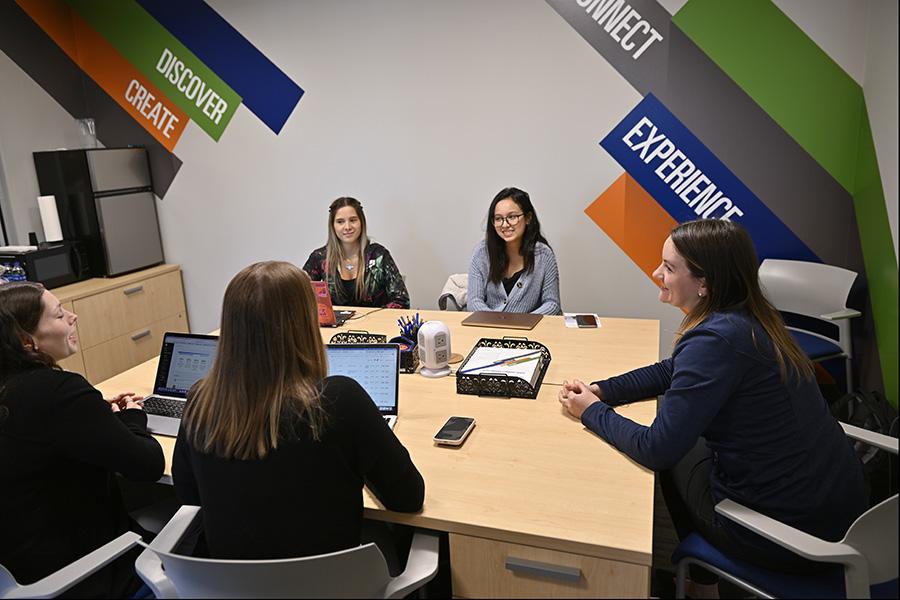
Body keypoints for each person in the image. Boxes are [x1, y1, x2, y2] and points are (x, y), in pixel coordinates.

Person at [558, 219, 869, 599]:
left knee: (670, 456)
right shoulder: (745, 317)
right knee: (682, 437)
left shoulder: (715, 341)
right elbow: (673, 370)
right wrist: (603, 390)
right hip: (840, 508)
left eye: (669, 268)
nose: (658, 273)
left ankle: (703, 583)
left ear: (706, 284)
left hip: (794, 536)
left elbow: (658, 449)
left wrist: (591, 411)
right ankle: (702, 580)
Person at [172, 261, 424, 568]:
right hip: (333, 587)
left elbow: (189, 498)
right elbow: (408, 498)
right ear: (303, 325)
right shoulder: (338, 401)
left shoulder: (201, 401)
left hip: (235, 588)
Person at [0, 281, 165, 598]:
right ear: (26, 341)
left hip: (18, 573)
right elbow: (148, 466)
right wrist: (132, 417)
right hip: (86, 577)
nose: (73, 317)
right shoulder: (58, 392)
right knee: (200, 526)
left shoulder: (13, 392)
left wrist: (94, 417)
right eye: (59, 314)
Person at [303, 197, 410, 309]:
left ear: (361, 222)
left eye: (353, 220)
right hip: (335, 326)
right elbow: (300, 295)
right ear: (333, 226)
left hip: (374, 324)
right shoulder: (320, 257)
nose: (348, 227)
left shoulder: (379, 255)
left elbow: (402, 300)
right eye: (340, 222)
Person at [467, 187, 560, 315]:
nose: (505, 224)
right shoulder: (481, 253)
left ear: (528, 218)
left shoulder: (544, 255)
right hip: (490, 328)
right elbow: (474, 301)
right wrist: (497, 322)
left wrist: (522, 323)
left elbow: (552, 303)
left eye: (512, 217)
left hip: (529, 331)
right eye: (499, 219)